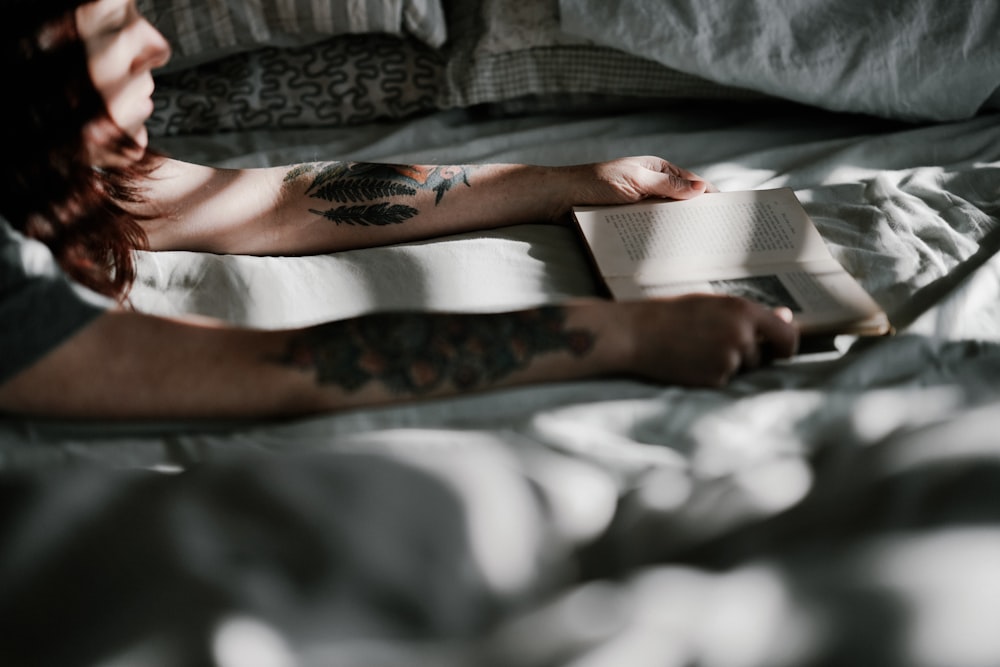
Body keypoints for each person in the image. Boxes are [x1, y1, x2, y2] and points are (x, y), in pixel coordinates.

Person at [0, 0, 798, 420]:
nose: (158, 46)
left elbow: (279, 201)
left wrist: (565, 182)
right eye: (112, 23)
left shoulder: (49, 172)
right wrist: (632, 333)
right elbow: (269, 369)